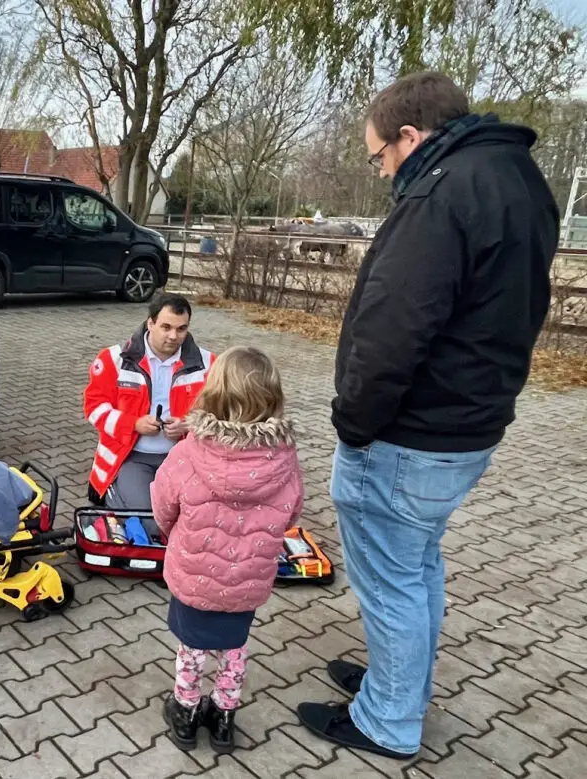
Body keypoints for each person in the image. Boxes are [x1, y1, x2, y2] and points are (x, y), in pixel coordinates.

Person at [296, 72, 558, 759]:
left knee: (390, 582)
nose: (381, 169)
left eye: (378, 155)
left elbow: (395, 326)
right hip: (468, 424)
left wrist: (354, 419)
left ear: (410, 137)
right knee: (416, 567)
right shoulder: (520, 179)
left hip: (410, 431)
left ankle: (387, 719)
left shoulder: (440, 193)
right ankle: (397, 684)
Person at [150, 346, 304, 755]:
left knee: (191, 648)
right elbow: (291, 514)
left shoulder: (188, 451)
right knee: (234, 648)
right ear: (272, 399)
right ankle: (223, 720)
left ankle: (184, 716)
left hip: (194, 573)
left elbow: (163, 505)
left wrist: (176, 536)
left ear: (213, 394)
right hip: (246, 583)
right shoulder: (285, 460)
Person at [83, 292, 215, 510]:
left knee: (191, 514)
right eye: (166, 327)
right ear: (150, 323)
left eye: (181, 329)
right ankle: (113, 496)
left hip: (183, 457)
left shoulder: (209, 364)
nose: (174, 336)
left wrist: (188, 424)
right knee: (150, 518)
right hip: (131, 457)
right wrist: (133, 423)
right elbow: (94, 408)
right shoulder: (114, 360)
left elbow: (221, 415)